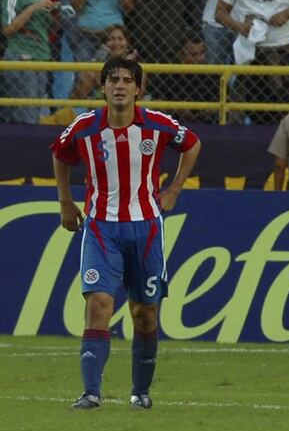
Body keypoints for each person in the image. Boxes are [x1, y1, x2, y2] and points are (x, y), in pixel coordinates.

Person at [51, 57, 202, 410]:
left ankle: (140, 392)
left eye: (127, 80)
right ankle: (91, 392)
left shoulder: (157, 125)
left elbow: (193, 143)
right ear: (102, 86)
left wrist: (175, 188)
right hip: (101, 228)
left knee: (145, 313)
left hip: (147, 228)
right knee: (99, 305)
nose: (119, 85)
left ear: (138, 88)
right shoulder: (84, 127)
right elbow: (60, 153)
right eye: (113, 79)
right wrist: (65, 202)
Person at [1, 0, 55, 124]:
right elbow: (8, 29)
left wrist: (56, 12)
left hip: (41, 56)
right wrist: (33, 8)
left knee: (38, 112)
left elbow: (47, 28)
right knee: (27, 115)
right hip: (22, 56)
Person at [150, 34, 220, 123]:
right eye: (194, 54)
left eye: (202, 53)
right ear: (181, 55)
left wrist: (204, 112)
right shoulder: (169, 74)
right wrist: (175, 108)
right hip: (173, 123)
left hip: (207, 124)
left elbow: (223, 105)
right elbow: (156, 101)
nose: (200, 58)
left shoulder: (213, 75)